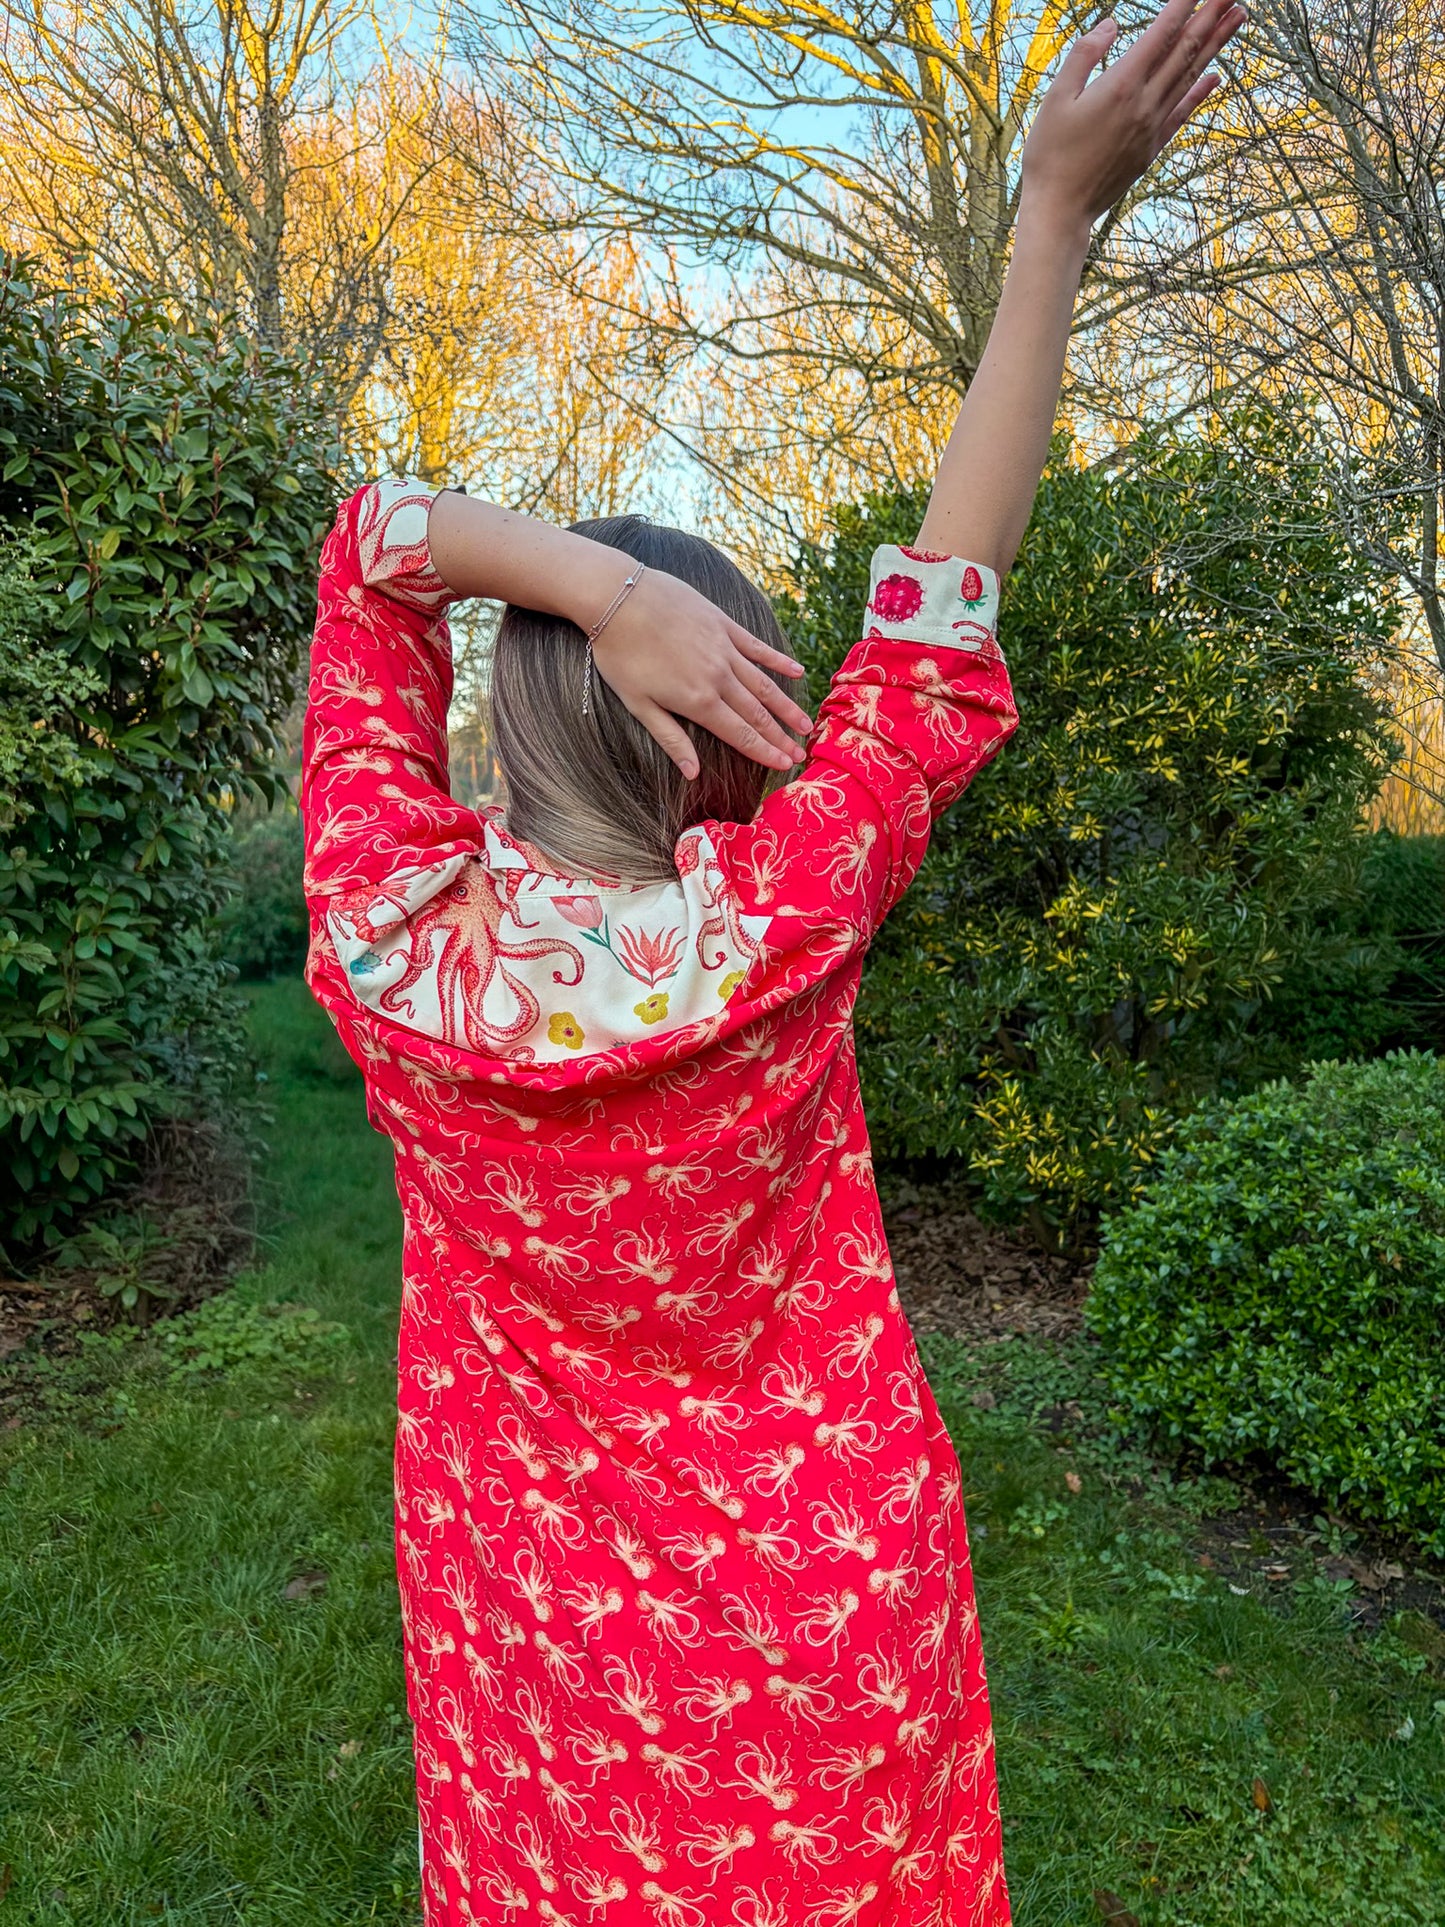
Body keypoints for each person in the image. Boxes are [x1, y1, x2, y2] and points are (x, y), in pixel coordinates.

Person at [300, 3, 1244, 1918]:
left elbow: (373, 551)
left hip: (536, 1632)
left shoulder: (388, 933)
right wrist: (1052, 219)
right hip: (819, 1620)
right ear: (704, 731)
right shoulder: (780, 917)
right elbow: (934, 626)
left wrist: (596, 588)